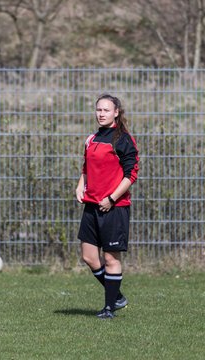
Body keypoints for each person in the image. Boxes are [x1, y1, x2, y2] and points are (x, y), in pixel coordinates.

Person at [76, 93, 139, 319]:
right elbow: (86, 167)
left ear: (116, 113)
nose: (101, 114)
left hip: (114, 207)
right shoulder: (91, 138)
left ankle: (109, 308)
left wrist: (112, 198)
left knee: (111, 258)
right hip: (92, 206)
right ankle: (118, 297)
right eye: (98, 110)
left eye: (106, 110)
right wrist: (80, 186)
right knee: (89, 256)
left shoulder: (123, 139)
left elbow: (132, 174)